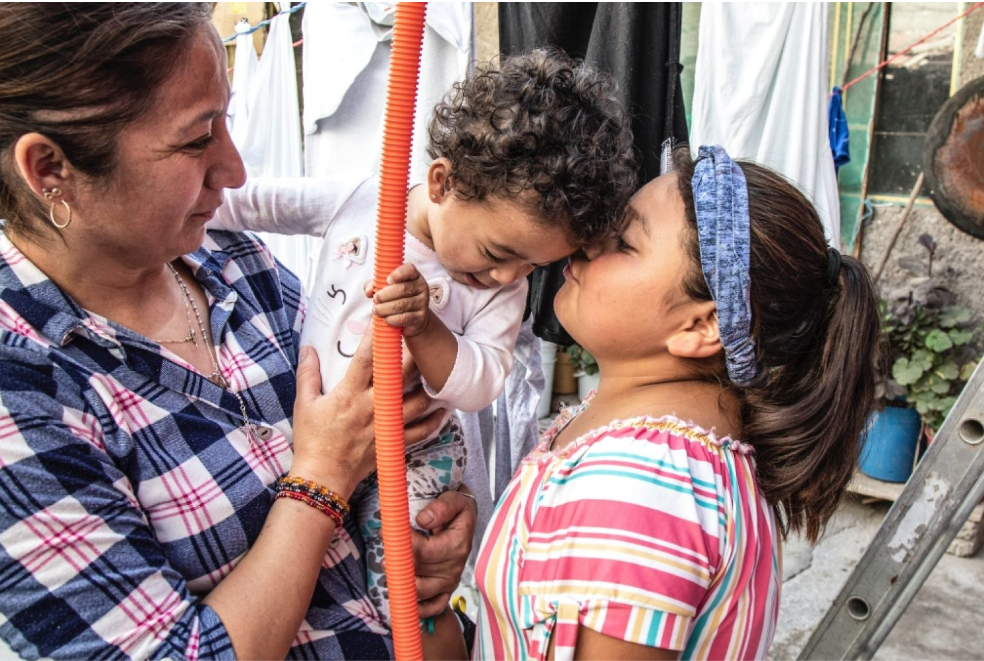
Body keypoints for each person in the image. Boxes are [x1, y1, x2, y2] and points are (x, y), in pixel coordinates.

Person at [0, 5, 475, 660]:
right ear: (51, 169)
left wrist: (429, 517)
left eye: (225, 119)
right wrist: (322, 476)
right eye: (197, 139)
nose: (234, 171)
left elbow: (374, 437)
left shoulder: (227, 260)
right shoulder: (22, 382)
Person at [212, 47, 638, 630]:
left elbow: (481, 383)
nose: (510, 278)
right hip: (316, 426)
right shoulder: (364, 203)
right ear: (442, 182)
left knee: (404, 585)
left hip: (419, 451)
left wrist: (427, 327)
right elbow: (257, 202)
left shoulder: (498, 290)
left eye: (531, 268)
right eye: (499, 253)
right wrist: (197, 203)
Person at [473, 146, 881, 660]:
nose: (585, 241)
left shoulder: (636, 485)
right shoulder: (683, 444)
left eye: (622, 242)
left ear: (700, 326)